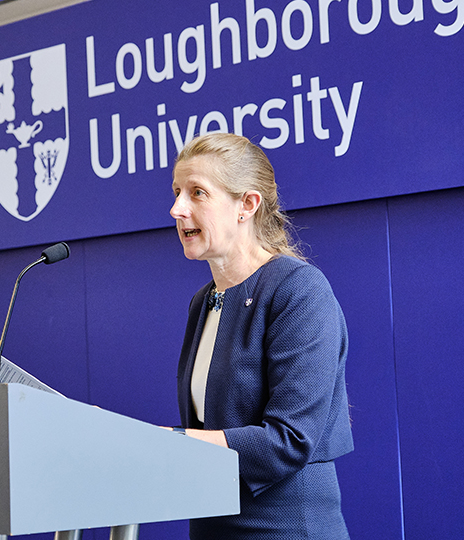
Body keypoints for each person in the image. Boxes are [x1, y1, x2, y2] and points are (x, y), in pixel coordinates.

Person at [169, 133, 353, 539]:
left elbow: (288, 440)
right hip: (212, 523)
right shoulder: (203, 302)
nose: (177, 208)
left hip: (285, 527)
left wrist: (172, 443)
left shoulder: (299, 291)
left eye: (198, 193)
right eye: (177, 192)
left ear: (247, 205)